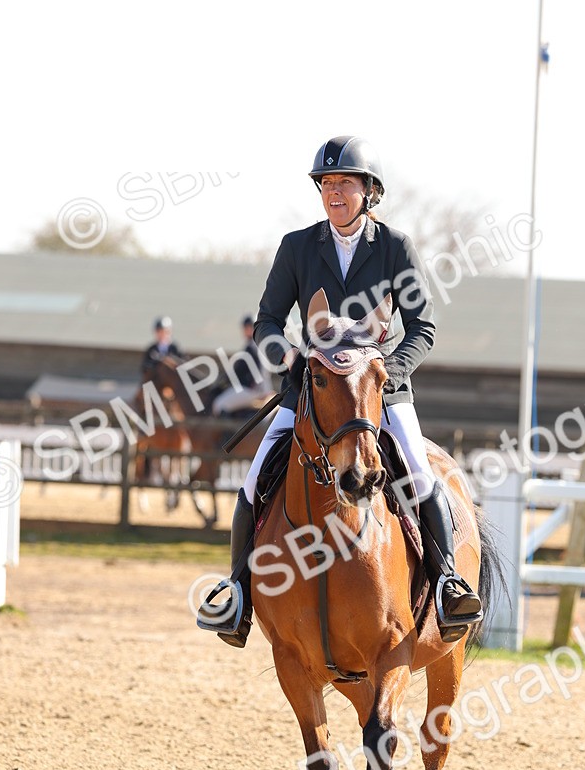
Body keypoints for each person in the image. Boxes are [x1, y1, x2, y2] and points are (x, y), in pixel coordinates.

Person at [203, 135, 482, 648]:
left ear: (369, 191)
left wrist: (388, 374)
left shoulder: (396, 247)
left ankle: (446, 583)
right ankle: (238, 594)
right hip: (312, 393)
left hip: (382, 394)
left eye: (344, 184)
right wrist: (288, 357)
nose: (333, 193)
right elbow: (268, 320)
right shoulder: (297, 246)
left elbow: (423, 327)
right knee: (252, 483)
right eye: (326, 184)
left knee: (421, 477)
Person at [210, 314, 274, 415]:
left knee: (219, 404)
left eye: (248, 327)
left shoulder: (252, 348)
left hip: (253, 390)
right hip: (260, 389)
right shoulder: (258, 345)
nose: (246, 330)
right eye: (246, 327)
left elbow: (238, 371)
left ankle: (230, 430)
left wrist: (221, 382)